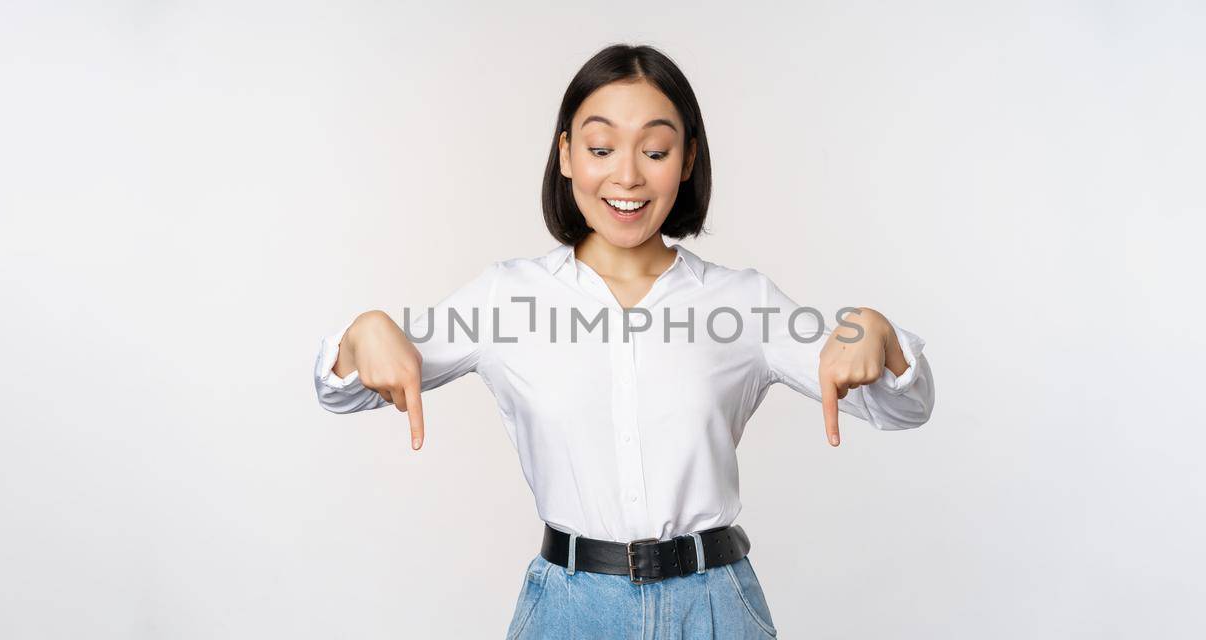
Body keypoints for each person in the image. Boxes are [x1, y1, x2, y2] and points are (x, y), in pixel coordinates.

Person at [312, 43, 935, 639]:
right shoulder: (504, 298)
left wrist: (874, 331)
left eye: (656, 151)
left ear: (687, 160)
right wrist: (362, 333)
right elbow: (345, 389)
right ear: (566, 154)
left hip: (715, 607)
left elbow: (904, 406)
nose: (627, 176)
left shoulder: (742, 303)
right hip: (569, 610)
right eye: (602, 147)